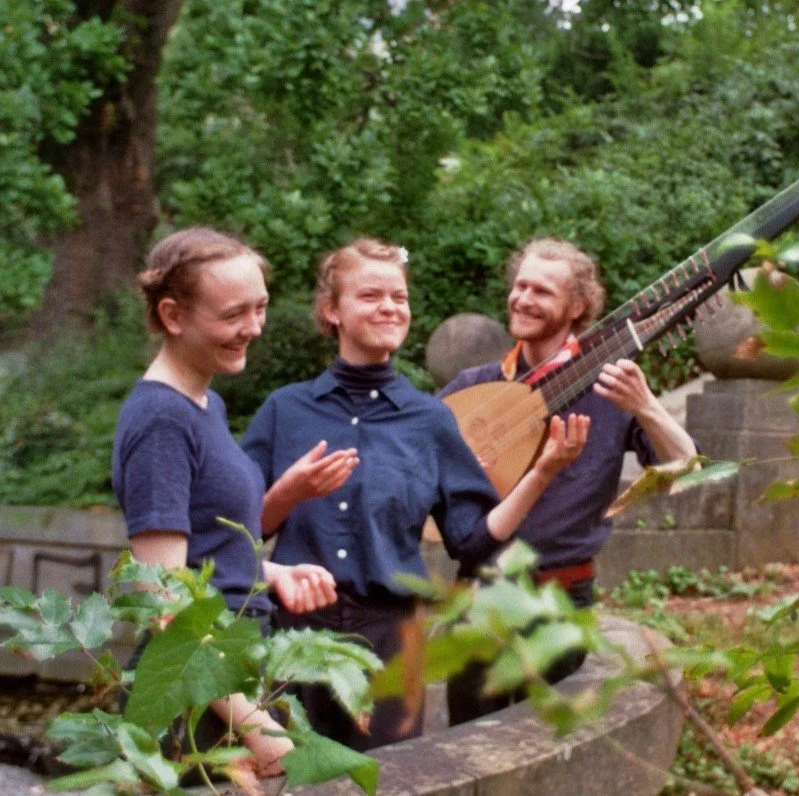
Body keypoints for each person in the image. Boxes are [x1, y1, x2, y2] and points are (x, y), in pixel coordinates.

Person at [241, 237, 589, 750]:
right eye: (370, 295)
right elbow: (236, 536)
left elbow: (471, 541)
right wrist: (288, 494)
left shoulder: (431, 419)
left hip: (391, 642)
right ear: (331, 310)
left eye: (399, 297)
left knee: (391, 781)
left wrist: (540, 473)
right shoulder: (284, 410)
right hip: (294, 638)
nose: (389, 306)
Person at [112, 227, 350, 778]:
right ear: (173, 316)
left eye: (261, 307)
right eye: (234, 314)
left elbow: (196, 556)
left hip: (225, 677)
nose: (255, 327)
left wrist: (265, 571)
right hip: (191, 699)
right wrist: (257, 728)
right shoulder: (161, 422)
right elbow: (164, 599)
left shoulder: (204, 404)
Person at [440, 237, 699, 724]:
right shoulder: (475, 387)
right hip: (480, 594)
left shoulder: (612, 388)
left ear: (578, 306)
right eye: (520, 286)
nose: (523, 299)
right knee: (469, 746)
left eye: (542, 291)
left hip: (562, 595)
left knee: (551, 745)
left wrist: (646, 406)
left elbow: (684, 469)